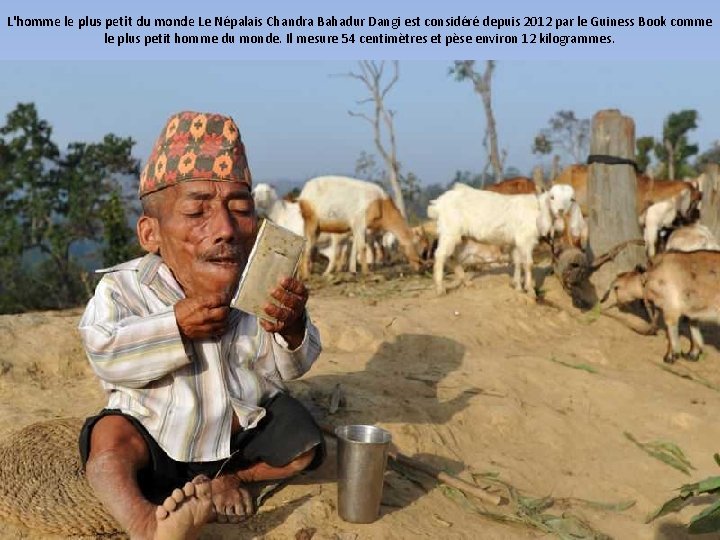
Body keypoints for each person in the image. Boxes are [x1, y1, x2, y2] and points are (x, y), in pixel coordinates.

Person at [78, 111, 324, 540]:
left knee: (305, 443)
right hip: (158, 436)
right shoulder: (125, 289)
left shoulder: (260, 282)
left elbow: (287, 370)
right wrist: (174, 328)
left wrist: (291, 329)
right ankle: (146, 523)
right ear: (151, 233)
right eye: (197, 212)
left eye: (240, 210)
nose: (226, 230)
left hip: (237, 440)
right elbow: (105, 355)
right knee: (108, 444)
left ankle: (231, 481)